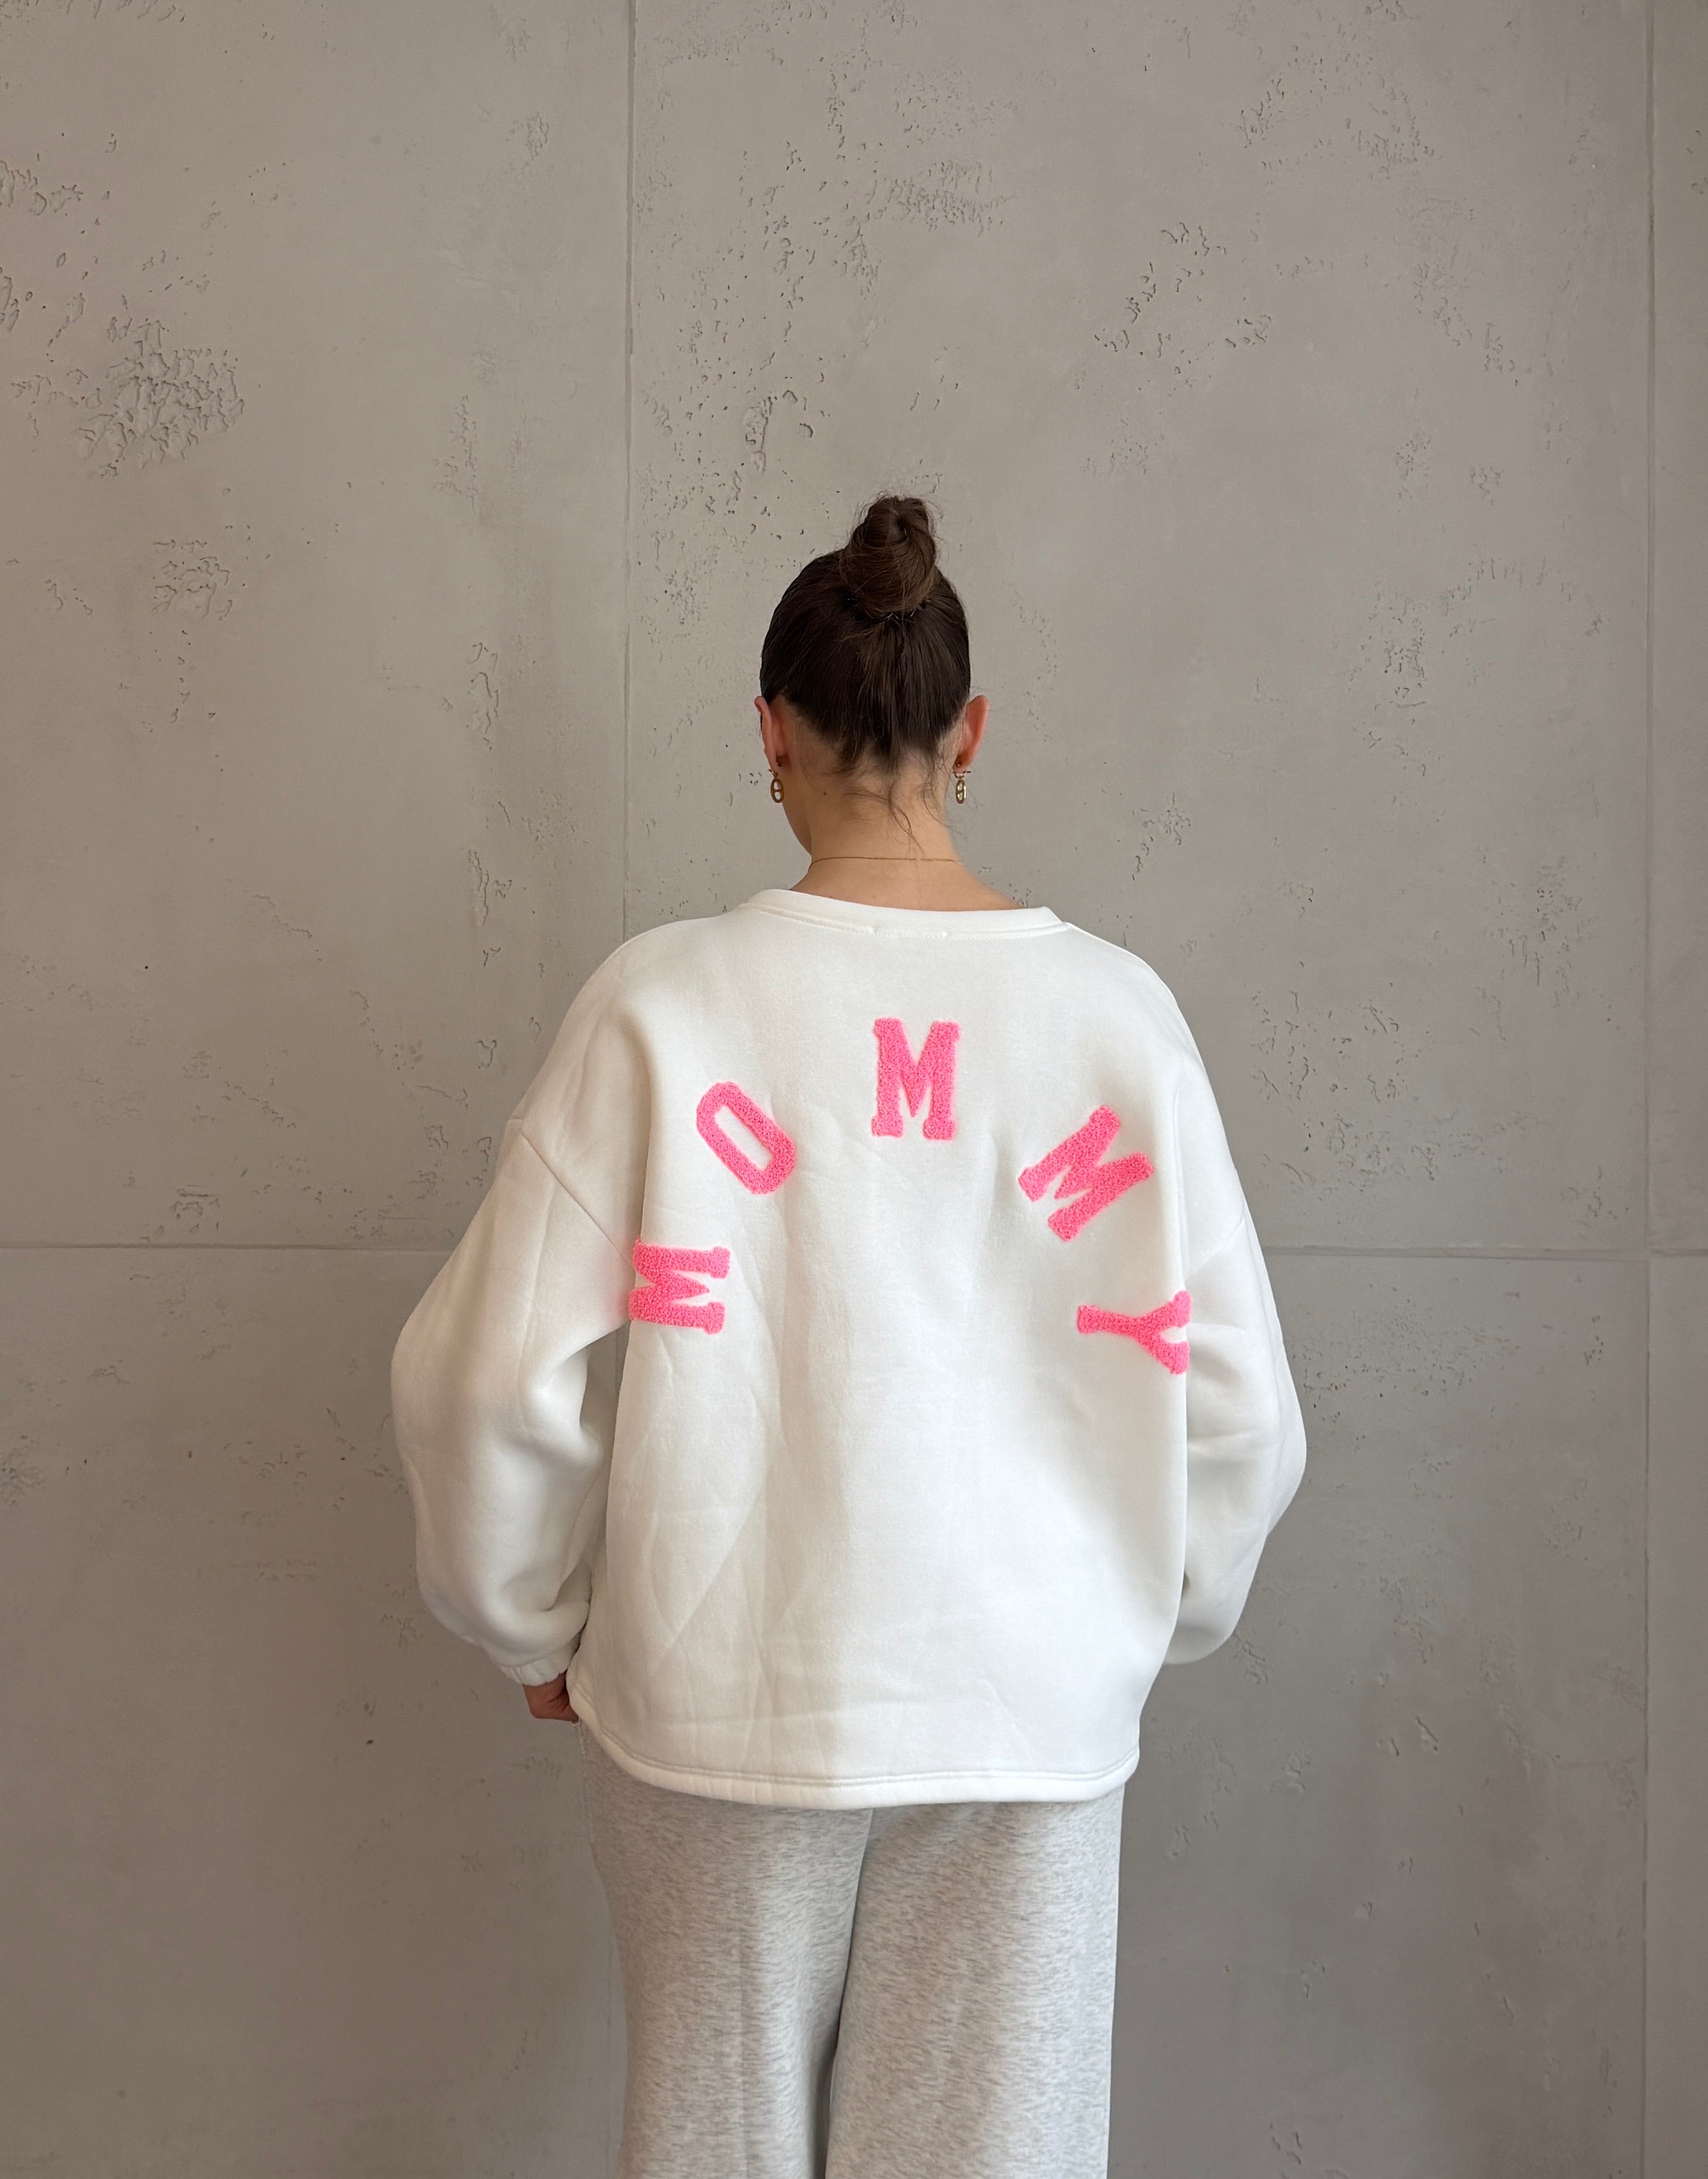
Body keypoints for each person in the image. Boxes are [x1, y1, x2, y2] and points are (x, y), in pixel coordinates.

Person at [390, 493, 1308, 2179]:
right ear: (970, 733)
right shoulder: (1117, 1020)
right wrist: (1135, 1616)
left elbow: (482, 1376)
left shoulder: (661, 1006)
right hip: (1026, 1705)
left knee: (713, 2148)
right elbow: (1242, 1415)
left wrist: (531, 1621)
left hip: (716, 1698)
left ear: (770, 731)